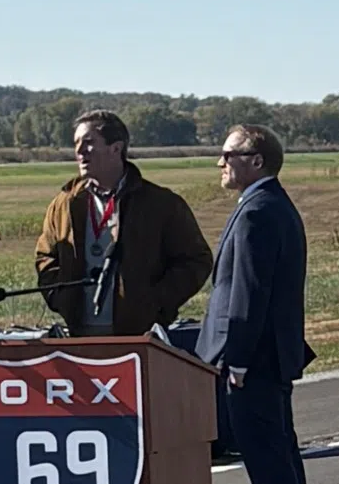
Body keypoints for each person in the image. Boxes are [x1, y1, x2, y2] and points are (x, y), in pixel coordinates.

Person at [198, 123, 314, 484]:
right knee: (278, 451)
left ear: (257, 161)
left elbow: (249, 293)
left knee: (266, 456)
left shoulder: (257, 213)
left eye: (229, 155)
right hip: (270, 357)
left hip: (255, 361)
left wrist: (239, 360)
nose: (221, 163)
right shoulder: (270, 203)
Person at [35, 109, 214, 337]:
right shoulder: (64, 204)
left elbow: (196, 261)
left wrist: (155, 303)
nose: (79, 151)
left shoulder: (161, 203)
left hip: (139, 336)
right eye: (76, 143)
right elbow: (45, 258)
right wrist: (60, 298)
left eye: (89, 142)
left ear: (116, 148)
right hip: (79, 334)